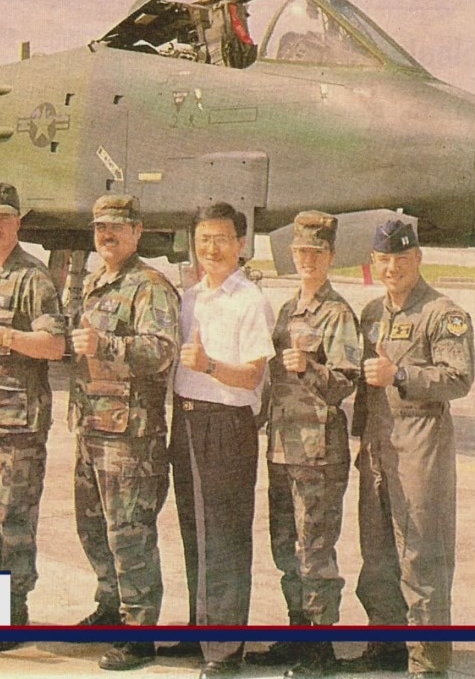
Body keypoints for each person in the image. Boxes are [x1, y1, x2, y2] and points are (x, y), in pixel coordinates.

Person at [342, 219, 474, 679]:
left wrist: (400, 375)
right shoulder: (372, 314)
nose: (392, 268)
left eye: (401, 258)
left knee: (421, 554)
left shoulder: (443, 313)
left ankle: (429, 661)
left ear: (418, 258)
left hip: (421, 446)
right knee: (377, 552)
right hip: (378, 449)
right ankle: (386, 643)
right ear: (373, 262)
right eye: (384, 259)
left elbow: (458, 378)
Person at [244, 211, 360, 677]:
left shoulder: (337, 313)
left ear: (330, 256)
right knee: (285, 547)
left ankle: (320, 645)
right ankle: (297, 631)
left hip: (318, 453)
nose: (307, 259)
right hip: (281, 447)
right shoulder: (288, 309)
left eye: (316, 252)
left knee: (315, 550)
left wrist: (308, 368)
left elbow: (346, 381)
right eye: (301, 252)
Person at [68, 194, 180, 672]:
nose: (107, 235)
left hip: (130, 437)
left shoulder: (150, 286)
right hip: (92, 427)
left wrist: (106, 344)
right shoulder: (96, 282)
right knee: (93, 527)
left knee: (129, 534)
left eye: (117, 227)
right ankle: (110, 606)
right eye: (100, 228)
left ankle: (139, 632)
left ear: (137, 231)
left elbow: (162, 350)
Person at [0, 182, 66, 653]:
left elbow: (55, 346)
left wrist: (3, 336)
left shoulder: (33, 278)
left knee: (13, 518)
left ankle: (12, 607)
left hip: (17, 423)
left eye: (4, 217)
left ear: (18, 222)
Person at [168, 201, 274, 678]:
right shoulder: (191, 297)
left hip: (227, 423)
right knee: (195, 530)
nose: (211, 249)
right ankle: (201, 631)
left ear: (241, 244)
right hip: (188, 419)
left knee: (225, 535)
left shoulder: (249, 299)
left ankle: (225, 648)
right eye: (203, 240)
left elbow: (253, 375)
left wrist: (209, 365)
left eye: (221, 240)